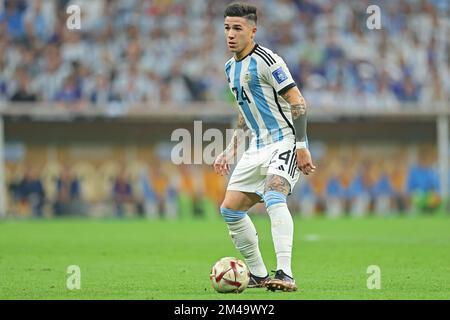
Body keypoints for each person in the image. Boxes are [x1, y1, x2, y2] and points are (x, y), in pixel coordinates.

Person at [213, 3, 315, 292]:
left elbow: (298, 101)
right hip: (256, 147)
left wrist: (301, 145)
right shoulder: (230, 67)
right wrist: (232, 149)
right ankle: (258, 274)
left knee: (273, 195)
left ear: (252, 31)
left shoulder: (269, 60)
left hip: (284, 140)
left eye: (237, 28)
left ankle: (285, 273)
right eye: (227, 28)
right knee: (230, 210)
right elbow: (245, 111)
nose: (230, 34)